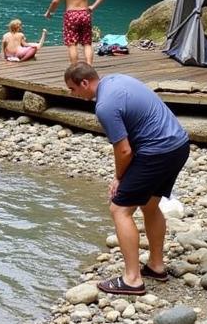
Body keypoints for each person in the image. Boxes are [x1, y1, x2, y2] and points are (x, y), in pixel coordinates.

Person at [65, 62, 190, 295]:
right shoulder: (116, 79)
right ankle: (156, 265)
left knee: (119, 209)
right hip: (179, 145)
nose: (74, 94)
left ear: (84, 82)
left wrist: (119, 178)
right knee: (150, 205)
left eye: (73, 89)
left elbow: (124, 151)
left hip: (158, 151)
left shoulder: (104, 106)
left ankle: (132, 279)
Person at [45, 0, 110, 65]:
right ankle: (89, 67)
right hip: (85, 13)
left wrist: (49, 12)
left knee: (72, 44)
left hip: (71, 15)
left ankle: (75, 69)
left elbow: (56, 0)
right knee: (87, 43)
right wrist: (93, 6)